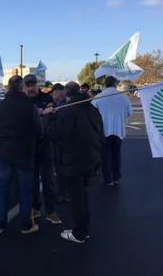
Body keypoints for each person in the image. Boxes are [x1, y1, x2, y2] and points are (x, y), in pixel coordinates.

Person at [43, 82, 104, 243]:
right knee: (83, 194)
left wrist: (48, 116)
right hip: (90, 157)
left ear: (66, 94)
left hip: (73, 160)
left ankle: (80, 232)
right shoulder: (92, 109)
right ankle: (84, 227)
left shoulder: (69, 111)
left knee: (76, 197)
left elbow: (53, 132)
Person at [0, 75, 43, 235]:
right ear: (22, 87)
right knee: (25, 190)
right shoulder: (29, 105)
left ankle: (0, 225)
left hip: (4, 153)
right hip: (24, 153)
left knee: (3, 189)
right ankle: (25, 225)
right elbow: (39, 130)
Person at [23, 74, 61, 224]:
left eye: (33, 84)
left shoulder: (47, 98)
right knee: (31, 180)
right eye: (28, 85)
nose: (31, 87)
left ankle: (51, 211)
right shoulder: (23, 101)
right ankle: (35, 207)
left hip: (45, 145)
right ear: (24, 86)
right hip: (29, 145)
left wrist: (47, 112)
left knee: (48, 180)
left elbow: (52, 116)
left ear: (37, 85)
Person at [92, 76, 132, 186]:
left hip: (104, 130)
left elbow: (92, 113)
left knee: (105, 155)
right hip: (119, 130)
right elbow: (129, 112)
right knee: (116, 154)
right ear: (115, 84)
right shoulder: (123, 97)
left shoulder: (99, 97)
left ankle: (108, 179)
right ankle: (116, 177)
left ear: (105, 84)